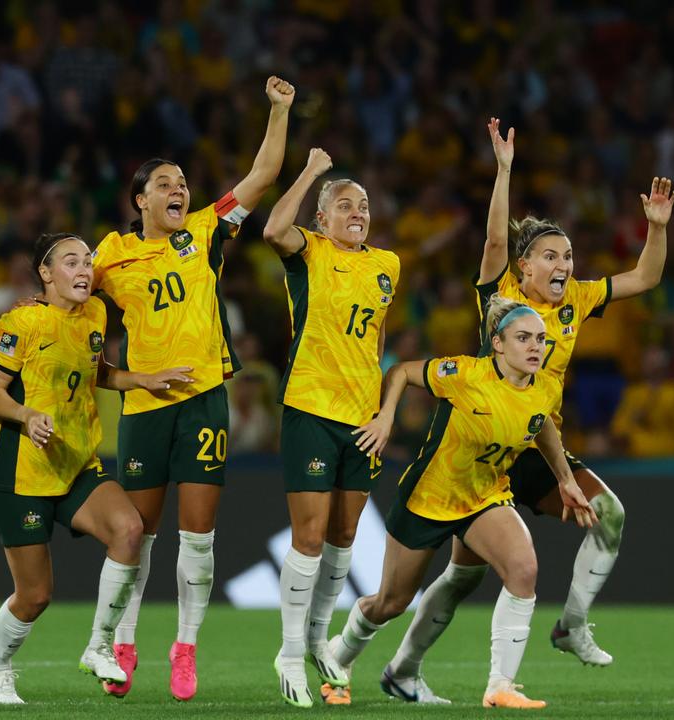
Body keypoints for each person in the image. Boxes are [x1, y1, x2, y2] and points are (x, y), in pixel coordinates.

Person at [380, 120, 674, 702]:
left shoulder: (578, 301)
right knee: (460, 578)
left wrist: (657, 227)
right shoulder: (502, 299)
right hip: (484, 445)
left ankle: (570, 626)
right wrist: (504, 171)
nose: (565, 264)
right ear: (523, 266)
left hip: (539, 441)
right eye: (550, 255)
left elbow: (647, 275)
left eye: (568, 255)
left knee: (608, 514)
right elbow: (493, 244)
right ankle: (402, 668)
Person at [94, 76, 295, 702]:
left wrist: (280, 111)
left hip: (207, 397)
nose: (179, 189)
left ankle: (185, 647)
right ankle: (122, 642)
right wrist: (112, 371)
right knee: (137, 534)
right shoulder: (110, 255)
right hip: (145, 406)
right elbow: (72, 303)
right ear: (140, 199)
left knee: (198, 536)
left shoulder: (206, 230)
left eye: (183, 183)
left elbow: (262, 175)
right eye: (165, 184)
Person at [327, 295, 598, 710]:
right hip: (428, 498)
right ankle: (337, 662)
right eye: (523, 338)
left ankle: (500, 686)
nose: (534, 347)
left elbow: (541, 427)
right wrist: (385, 418)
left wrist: (565, 479)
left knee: (523, 569)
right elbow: (400, 371)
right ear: (498, 343)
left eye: (541, 339)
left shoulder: (545, 386)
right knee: (390, 603)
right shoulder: (464, 373)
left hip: (484, 497)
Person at [0, 233, 191, 705]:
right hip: (24, 473)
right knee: (34, 597)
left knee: (130, 529)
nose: (84, 270)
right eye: (70, 262)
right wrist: (27, 415)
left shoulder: (95, 313)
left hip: (77, 463)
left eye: (88, 261)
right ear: (46, 274)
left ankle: (98, 644)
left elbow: (96, 371)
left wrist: (141, 380)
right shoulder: (20, 323)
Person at [259, 148, 401, 707]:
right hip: (311, 407)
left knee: (344, 537)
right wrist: (313, 172)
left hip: (362, 419)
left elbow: (379, 337)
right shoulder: (309, 252)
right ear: (322, 219)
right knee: (311, 536)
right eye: (345, 205)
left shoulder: (387, 263)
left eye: (363, 204)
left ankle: (319, 638)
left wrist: (379, 408)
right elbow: (273, 228)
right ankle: (290, 650)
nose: (358, 212)